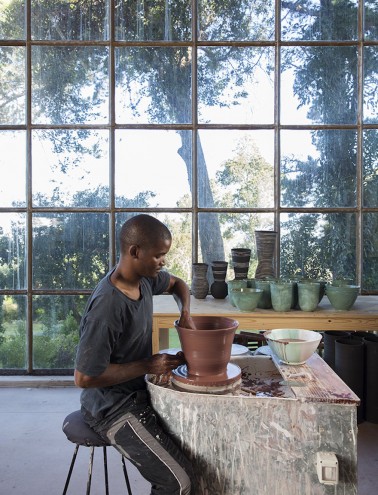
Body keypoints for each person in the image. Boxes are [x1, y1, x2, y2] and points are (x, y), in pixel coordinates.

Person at [74, 214, 196, 494]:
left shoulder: (143, 280)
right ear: (135, 252)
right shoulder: (107, 308)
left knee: (198, 453)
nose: (163, 262)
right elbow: (83, 378)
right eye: (159, 255)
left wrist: (185, 312)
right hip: (111, 408)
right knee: (178, 482)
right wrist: (149, 365)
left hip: (137, 392)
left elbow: (178, 284)